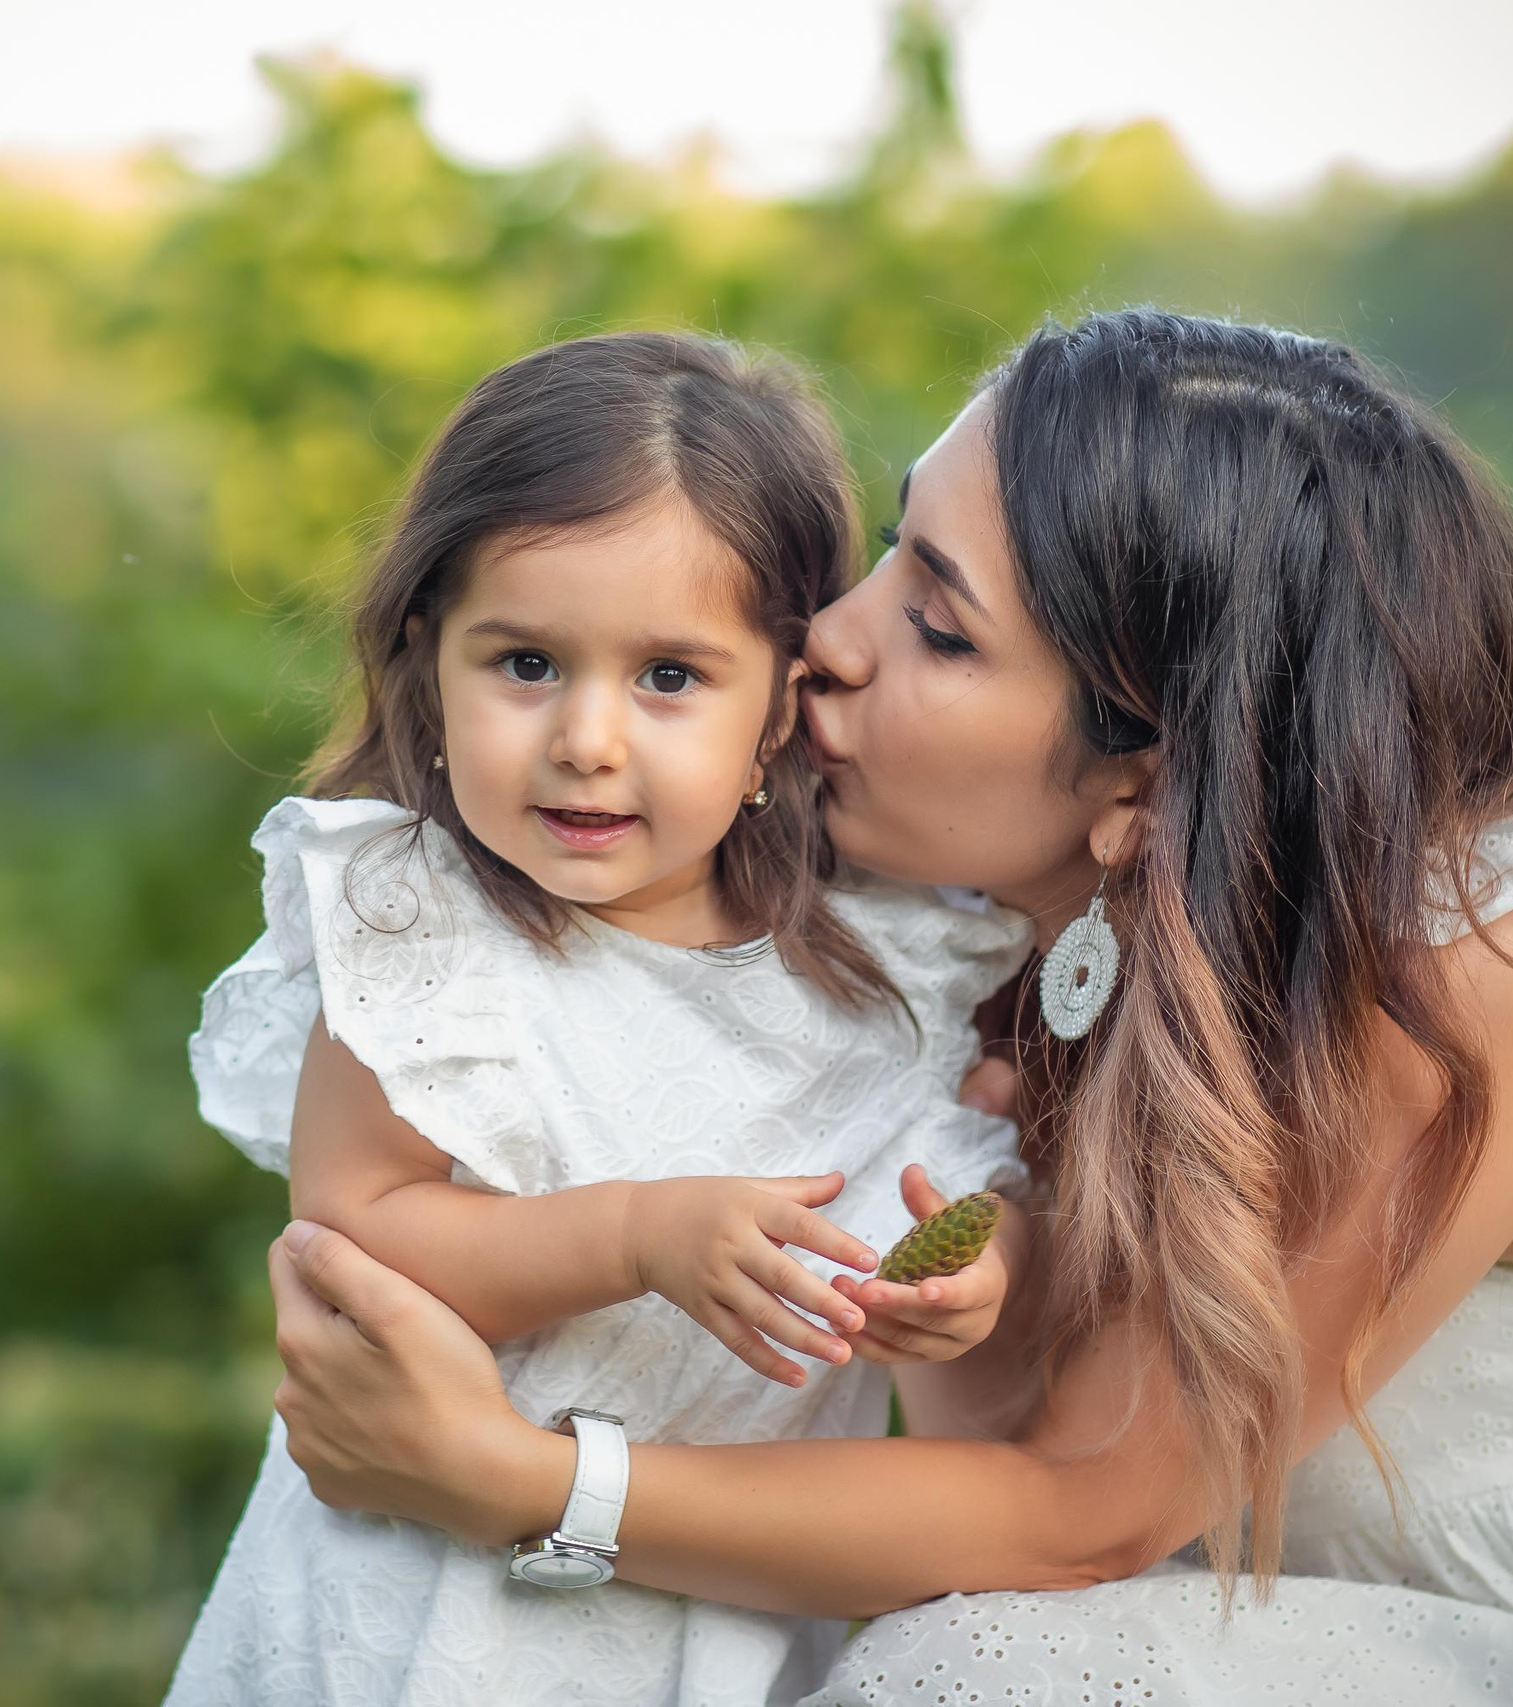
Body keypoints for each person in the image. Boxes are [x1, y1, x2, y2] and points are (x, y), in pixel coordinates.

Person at [257, 311, 1513, 1705]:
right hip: (1286, 1619)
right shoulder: (1030, 920)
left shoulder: (1460, 984)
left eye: (940, 632)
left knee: (979, 1679)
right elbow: (1004, 1437)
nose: (829, 645)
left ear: (1148, 779)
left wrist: (521, 1479)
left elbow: (1071, 1516)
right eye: (890, 552)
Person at [164, 331, 1041, 1707]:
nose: (586, 737)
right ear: (426, 659)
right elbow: (358, 1233)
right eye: (524, 663)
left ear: (781, 704)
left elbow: (942, 1197)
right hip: (404, 1613)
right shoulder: (423, 927)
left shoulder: (890, 961)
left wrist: (958, 1287)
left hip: (701, 1618)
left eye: (669, 679)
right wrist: (639, 1234)